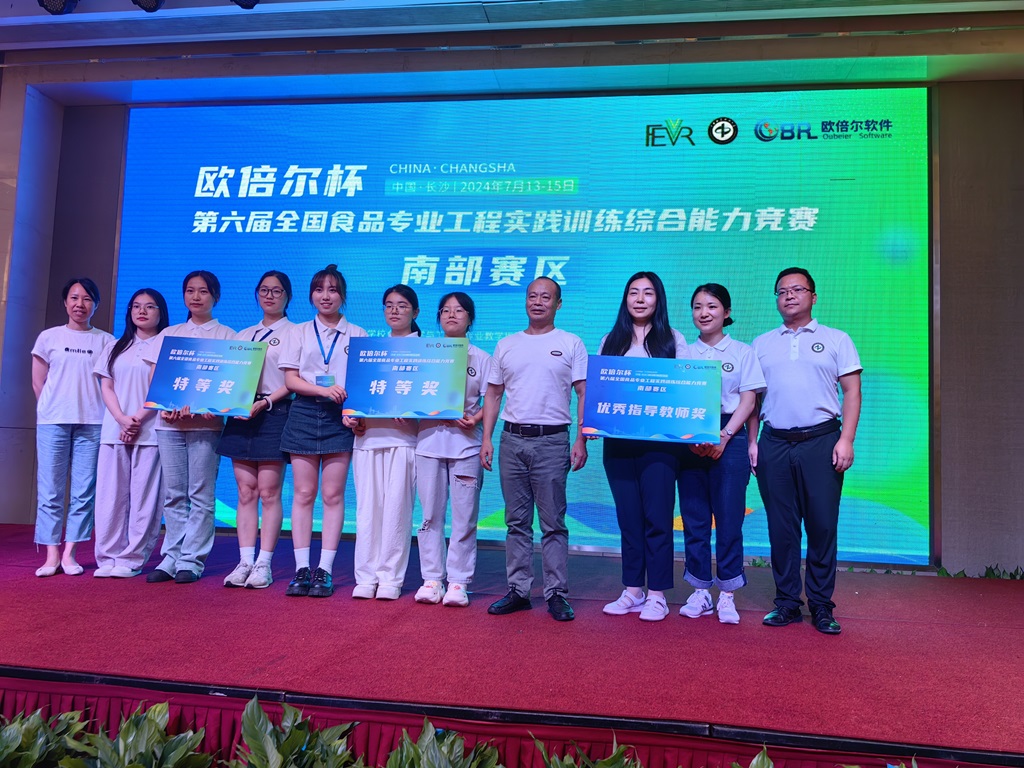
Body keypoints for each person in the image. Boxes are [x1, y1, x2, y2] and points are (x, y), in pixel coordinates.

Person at [750, 267, 861, 635]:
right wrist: (753, 442)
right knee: (781, 528)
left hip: (822, 441)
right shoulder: (762, 344)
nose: (789, 296)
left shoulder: (836, 339)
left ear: (813, 296)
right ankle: (786, 603)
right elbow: (752, 399)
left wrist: (846, 439)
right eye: (782, 291)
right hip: (774, 442)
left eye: (798, 289)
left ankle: (822, 605)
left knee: (822, 525)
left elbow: (852, 391)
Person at [481, 277, 588, 622]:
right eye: (532, 296)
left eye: (545, 297)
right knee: (516, 522)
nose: (537, 302)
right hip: (511, 440)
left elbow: (583, 393)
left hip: (552, 441)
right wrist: (487, 438)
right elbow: (493, 394)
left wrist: (581, 438)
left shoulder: (571, 343)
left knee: (553, 522)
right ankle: (519, 590)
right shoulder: (506, 344)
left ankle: (556, 593)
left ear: (558, 304)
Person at [598, 272, 688, 622]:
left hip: (660, 446)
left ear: (658, 300)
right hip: (618, 444)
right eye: (633, 292)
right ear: (625, 299)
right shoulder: (611, 340)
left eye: (648, 293)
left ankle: (658, 594)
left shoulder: (673, 340)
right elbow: (601, 390)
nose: (640, 299)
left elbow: (685, 389)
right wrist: (594, 423)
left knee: (658, 518)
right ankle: (633, 589)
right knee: (628, 518)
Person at [677, 283, 765, 624]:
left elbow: (749, 399)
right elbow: (675, 399)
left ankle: (727, 593)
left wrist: (725, 436)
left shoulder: (742, 352)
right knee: (694, 518)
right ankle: (700, 590)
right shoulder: (683, 352)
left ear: (726, 312)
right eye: (698, 306)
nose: (704, 313)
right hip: (688, 436)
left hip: (731, 434)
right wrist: (689, 439)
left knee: (729, 518)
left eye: (712, 306)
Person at [143, 270, 236, 583]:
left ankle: (192, 560)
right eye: (190, 291)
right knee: (173, 495)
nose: (196, 297)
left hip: (206, 427)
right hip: (169, 425)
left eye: (203, 291)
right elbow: (156, 378)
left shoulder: (228, 336)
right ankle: (171, 557)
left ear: (215, 296)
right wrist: (163, 406)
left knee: (201, 494)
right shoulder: (169, 334)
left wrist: (216, 408)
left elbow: (232, 384)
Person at [279, 264, 365, 598]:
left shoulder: (357, 333)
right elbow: (291, 379)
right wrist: (322, 390)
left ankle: (324, 569)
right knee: (303, 494)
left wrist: (350, 411)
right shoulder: (298, 331)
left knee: (332, 495)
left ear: (342, 295)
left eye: (332, 290)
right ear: (311, 295)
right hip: (303, 411)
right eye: (319, 289)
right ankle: (301, 568)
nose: (325, 296)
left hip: (339, 417)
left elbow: (361, 381)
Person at [31, 278, 114, 577]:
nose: (80, 304)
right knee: (50, 491)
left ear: (96, 304)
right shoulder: (48, 337)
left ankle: (70, 553)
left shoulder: (106, 341)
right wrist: (52, 408)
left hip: (92, 422)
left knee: (83, 491)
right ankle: (51, 554)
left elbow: (109, 384)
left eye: (87, 299)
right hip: (53, 422)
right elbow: (38, 382)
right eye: (75, 298)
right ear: (65, 302)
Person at [414, 292, 492, 607]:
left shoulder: (481, 358)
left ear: (470, 318)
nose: (451, 315)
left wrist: (475, 418)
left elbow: (491, 400)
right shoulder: (425, 353)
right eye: (445, 310)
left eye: (459, 310)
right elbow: (410, 392)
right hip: (428, 443)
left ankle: (459, 581)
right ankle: (432, 578)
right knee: (430, 515)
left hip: (466, 445)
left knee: (464, 517)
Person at [218, 270, 295, 590]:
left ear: (287, 296)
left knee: (269, 491)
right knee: (245, 490)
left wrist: (265, 403)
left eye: (277, 291)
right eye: (264, 290)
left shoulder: (294, 333)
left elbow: (292, 381)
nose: (269, 296)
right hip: (241, 413)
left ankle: (264, 563)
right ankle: (245, 561)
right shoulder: (243, 334)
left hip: (274, 411)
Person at [348, 284, 421, 601]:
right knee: (367, 512)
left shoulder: (425, 351)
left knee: (396, 513)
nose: (394, 310)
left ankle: (390, 578)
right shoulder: (369, 349)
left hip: (404, 440)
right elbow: (354, 393)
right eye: (389, 305)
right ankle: (365, 576)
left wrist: (415, 414)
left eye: (402, 305)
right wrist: (350, 416)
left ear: (415, 312)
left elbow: (434, 398)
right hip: (367, 439)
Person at [93, 288, 169, 578]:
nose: (142, 311)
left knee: (145, 498)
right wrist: (122, 419)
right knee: (110, 497)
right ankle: (108, 556)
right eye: (136, 306)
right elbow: (107, 387)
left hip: (149, 432)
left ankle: (132, 559)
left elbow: (161, 389)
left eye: (150, 307)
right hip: (115, 430)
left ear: (161, 312)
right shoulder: (115, 346)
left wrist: (136, 419)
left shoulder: (166, 346)